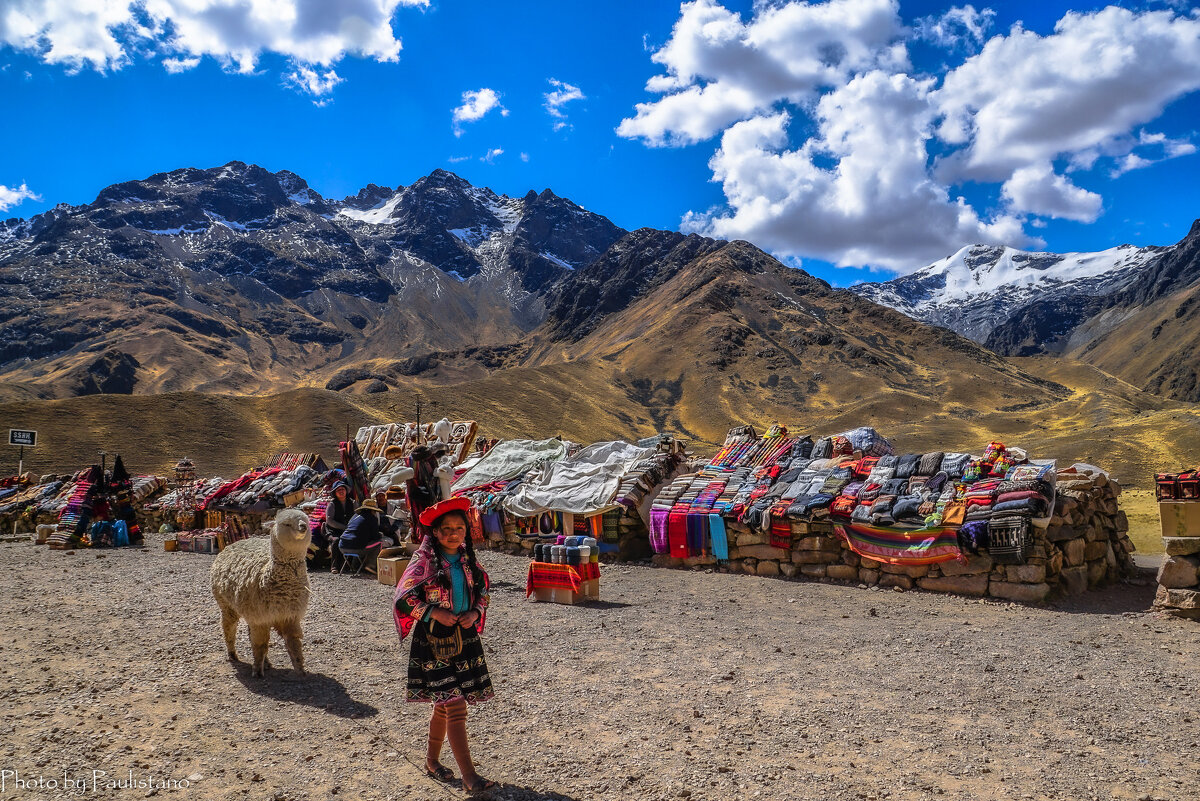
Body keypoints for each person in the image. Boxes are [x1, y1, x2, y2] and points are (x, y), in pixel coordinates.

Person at [393, 497, 496, 794]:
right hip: (433, 642)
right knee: (455, 705)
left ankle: (432, 761)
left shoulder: (468, 560)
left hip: (465, 640)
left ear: (466, 530)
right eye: (447, 529)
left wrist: (475, 612)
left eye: (459, 528)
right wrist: (433, 612)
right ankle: (469, 776)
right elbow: (403, 598)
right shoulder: (422, 562)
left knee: (444, 704)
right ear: (435, 533)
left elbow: (484, 591)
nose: (454, 533)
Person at [337, 498, 386, 575]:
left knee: (359, 541)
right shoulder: (372, 518)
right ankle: (371, 565)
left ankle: (355, 566)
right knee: (379, 543)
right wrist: (380, 535)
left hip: (342, 546)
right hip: (356, 548)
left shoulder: (354, 516)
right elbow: (375, 536)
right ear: (372, 510)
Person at [316, 482, 352, 573]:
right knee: (336, 540)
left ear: (346, 491)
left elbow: (355, 516)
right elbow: (329, 521)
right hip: (332, 530)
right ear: (335, 493)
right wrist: (344, 527)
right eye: (338, 490)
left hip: (347, 529)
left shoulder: (352, 502)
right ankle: (334, 566)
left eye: (343, 489)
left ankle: (349, 564)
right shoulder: (332, 504)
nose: (341, 491)